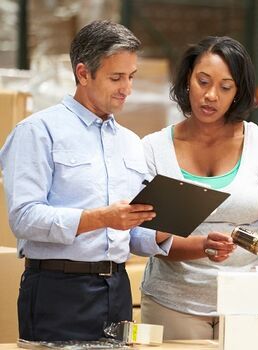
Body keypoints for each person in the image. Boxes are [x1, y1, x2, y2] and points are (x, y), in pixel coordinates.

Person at [0, 20, 173, 341]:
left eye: (131, 77)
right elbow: (23, 219)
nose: (127, 88)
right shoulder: (38, 132)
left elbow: (131, 234)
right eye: (116, 77)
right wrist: (101, 218)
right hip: (58, 290)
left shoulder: (131, 143)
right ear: (83, 73)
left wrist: (167, 224)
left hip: (117, 289)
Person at [140, 36, 258, 340]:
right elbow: (150, 239)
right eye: (203, 82)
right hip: (174, 304)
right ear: (187, 80)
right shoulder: (153, 149)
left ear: (238, 93)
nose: (211, 95)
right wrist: (203, 245)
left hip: (252, 303)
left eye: (225, 87)